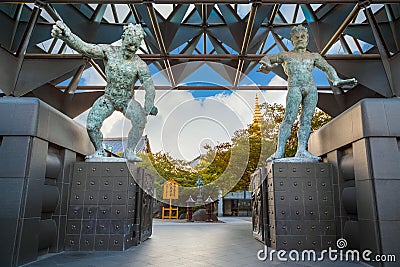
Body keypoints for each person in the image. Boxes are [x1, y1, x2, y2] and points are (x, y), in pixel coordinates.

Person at [51, 21, 157, 162]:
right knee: (92, 125)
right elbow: (85, 48)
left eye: (136, 46)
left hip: (127, 101)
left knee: (140, 121)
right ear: (123, 39)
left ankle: (130, 150)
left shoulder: (140, 65)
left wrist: (148, 105)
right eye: (130, 44)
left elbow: (149, 87)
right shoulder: (109, 52)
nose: (132, 48)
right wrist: (67, 35)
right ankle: (99, 150)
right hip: (109, 99)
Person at [259, 25, 357, 161]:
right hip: (295, 87)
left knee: (306, 120)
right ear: (292, 40)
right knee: (289, 118)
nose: (300, 39)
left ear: (307, 39)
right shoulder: (286, 55)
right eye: (296, 37)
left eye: (303, 37)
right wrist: (266, 65)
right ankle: (279, 151)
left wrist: (336, 80)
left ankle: (302, 151)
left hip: (311, 88)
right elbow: (267, 58)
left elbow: (327, 68)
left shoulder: (313, 56)